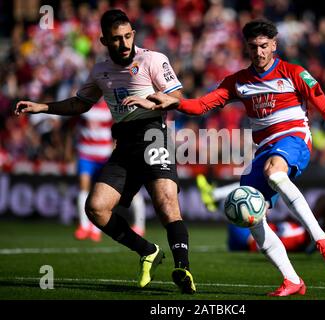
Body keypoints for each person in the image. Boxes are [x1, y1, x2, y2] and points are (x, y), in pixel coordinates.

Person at [129, 19, 325, 296]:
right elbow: (202, 105)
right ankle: (292, 280)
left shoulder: (294, 73)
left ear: (274, 45)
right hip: (265, 149)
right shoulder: (239, 82)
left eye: (263, 46)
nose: (258, 52)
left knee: (275, 172)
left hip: (294, 140)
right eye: (252, 47)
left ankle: (322, 240)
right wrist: (174, 101)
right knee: (252, 217)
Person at [15, 9, 195, 294]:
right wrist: (43, 107)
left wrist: (153, 103)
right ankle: (147, 250)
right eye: (116, 39)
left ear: (133, 34)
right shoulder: (100, 71)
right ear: (103, 41)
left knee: (166, 201)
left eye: (127, 36)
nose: (124, 44)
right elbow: (80, 103)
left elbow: (177, 98)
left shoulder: (153, 59)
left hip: (153, 135)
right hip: (124, 144)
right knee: (95, 208)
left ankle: (183, 267)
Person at [196, 174, 325, 253]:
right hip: (242, 243)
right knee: (253, 198)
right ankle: (215, 201)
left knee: (255, 190)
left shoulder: (304, 238)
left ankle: (214, 196)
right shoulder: (301, 234)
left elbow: (324, 201)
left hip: (248, 238)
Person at [74, 99, 146, 241]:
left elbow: (119, 128)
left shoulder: (111, 106)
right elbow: (75, 127)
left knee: (120, 190)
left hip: (105, 155)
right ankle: (85, 226)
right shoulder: (84, 104)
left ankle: (138, 225)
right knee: (84, 187)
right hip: (86, 153)